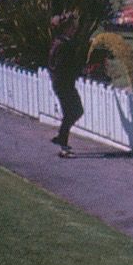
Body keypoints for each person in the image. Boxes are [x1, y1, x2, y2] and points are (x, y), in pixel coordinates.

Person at [47, 11, 84, 157]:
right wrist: (77, 71)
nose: (74, 30)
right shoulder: (63, 45)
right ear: (66, 28)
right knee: (74, 111)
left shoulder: (58, 43)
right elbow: (63, 66)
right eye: (72, 27)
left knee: (72, 111)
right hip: (64, 84)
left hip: (61, 84)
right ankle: (63, 145)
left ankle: (61, 138)